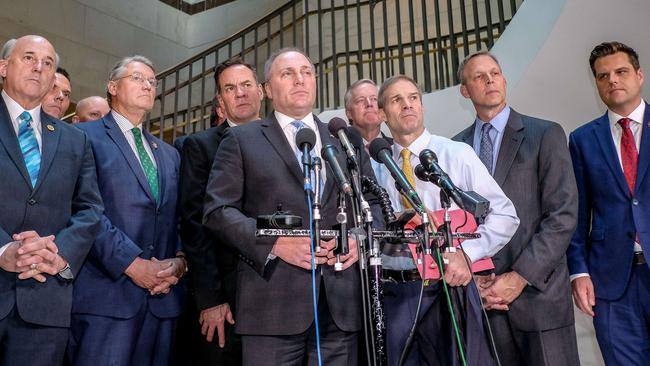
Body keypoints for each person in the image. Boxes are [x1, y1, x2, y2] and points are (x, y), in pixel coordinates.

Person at [203, 48, 382, 366]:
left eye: (307, 72)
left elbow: (375, 206)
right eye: (288, 73)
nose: (300, 79)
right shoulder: (242, 140)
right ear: (268, 90)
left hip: (340, 307)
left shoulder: (343, 138)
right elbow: (218, 212)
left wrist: (358, 237)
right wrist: (275, 242)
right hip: (272, 305)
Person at [375, 75, 519, 366]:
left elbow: (505, 214)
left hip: (452, 288)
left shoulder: (455, 154)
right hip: (399, 294)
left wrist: (468, 255)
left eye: (413, 97)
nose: (407, 105)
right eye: (396, 100)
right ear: (382, 114)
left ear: (423, 106)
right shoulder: (377, 167)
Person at [453, 51, 580, 366]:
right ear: (465, 90)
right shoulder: (456, 149)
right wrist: (473, 277)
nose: (489, 80)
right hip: (485, 300)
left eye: (494, 73)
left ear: (504, 80)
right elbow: (458, 225)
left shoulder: (545, 134)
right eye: (479, 76)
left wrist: (520, 277)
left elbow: (562, 216)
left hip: (539, 295)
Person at [68, 55, 186, 365]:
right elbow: (82, 209)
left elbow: (178, 218)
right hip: (106, 297)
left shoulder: (170, 154)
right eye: (137, 78)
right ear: (112, 87)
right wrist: (131, 264)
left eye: (152, 81)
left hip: (162, 301)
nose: (147, 85)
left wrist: (179, 262)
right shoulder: (83, 137)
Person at [0, 35, 103, 366]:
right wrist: (4, 250)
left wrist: (59, 255)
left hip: (46, 300)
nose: (39, 67)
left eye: (47, 63)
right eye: (29, 58)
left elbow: (90, 209)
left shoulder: (76, 140)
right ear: (3, 66)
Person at [176, 58, 263, 365]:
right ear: (221, 101)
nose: (240, 93)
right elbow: (195, 226)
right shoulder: (200, 146)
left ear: (261, 91)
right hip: (225, 297)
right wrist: (211, 299)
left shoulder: (287, 142)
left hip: (278, 297)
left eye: (246, 85)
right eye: (230, 88)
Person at [568, 41, 650, 365]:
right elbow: (576, 214)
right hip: (612, 284)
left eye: (621, 72)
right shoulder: (582, 139)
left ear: (639, 75)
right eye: (603, 76)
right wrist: (578, 273)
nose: (612, 80)